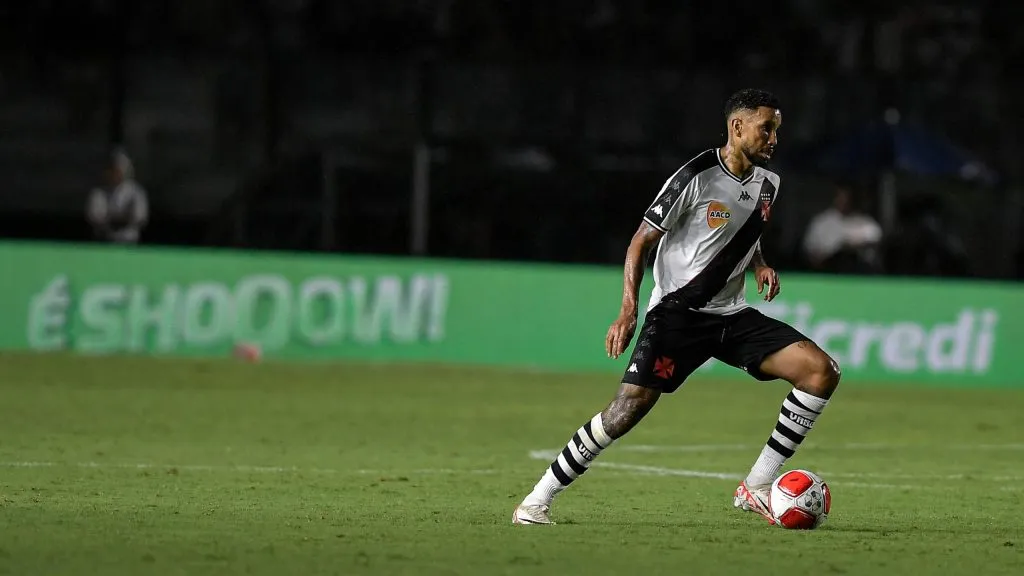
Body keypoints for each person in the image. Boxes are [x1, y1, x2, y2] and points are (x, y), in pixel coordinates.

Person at [512, 89, 841, 526]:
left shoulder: (769, 184)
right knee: (624, 412)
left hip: (731, 315)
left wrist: (759, 264)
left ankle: (757, 485)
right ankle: (537, 500)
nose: (774, 138)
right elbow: (639, 241)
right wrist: (628, 310)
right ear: (737, 126)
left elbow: (745, 232)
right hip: (678, 315)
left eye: (776, 129)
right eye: (767, 128)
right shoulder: (696, 176)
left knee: (821, 371)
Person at [802, 184, 883, 273]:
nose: (844, 201)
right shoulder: (821, 222)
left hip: (860, 273)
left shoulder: (865, 222)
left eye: (847, 197)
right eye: (841, 197)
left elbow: (876, 238)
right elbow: (809, 249)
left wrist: (851, 245)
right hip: (827, 271)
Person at [86, 148, 149, 244]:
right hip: (104, 240)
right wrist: (112, 220)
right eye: (113, 170)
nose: (116, 174)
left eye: (119, 170)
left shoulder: (136, 192)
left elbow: (140, 217)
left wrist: (123, 221)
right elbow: (95, 216)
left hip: (129, 240)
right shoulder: (99, 192)